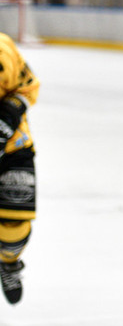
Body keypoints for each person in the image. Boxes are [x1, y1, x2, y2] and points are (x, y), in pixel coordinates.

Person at [0, 33, 39, 304]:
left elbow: (29, 87)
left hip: (14, 147)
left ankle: (8, 261)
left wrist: (9, 114)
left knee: (15, 226)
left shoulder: (3, 51)